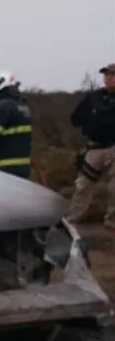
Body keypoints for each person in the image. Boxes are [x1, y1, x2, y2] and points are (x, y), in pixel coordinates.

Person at [65, 63, 115, 228]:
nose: (109, 78)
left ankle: (111, 221)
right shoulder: (93, 97)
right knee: (83, 186)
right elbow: (75, 119)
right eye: (107, 75)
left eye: (113, 75)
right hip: (94, 148)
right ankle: (72, 219)